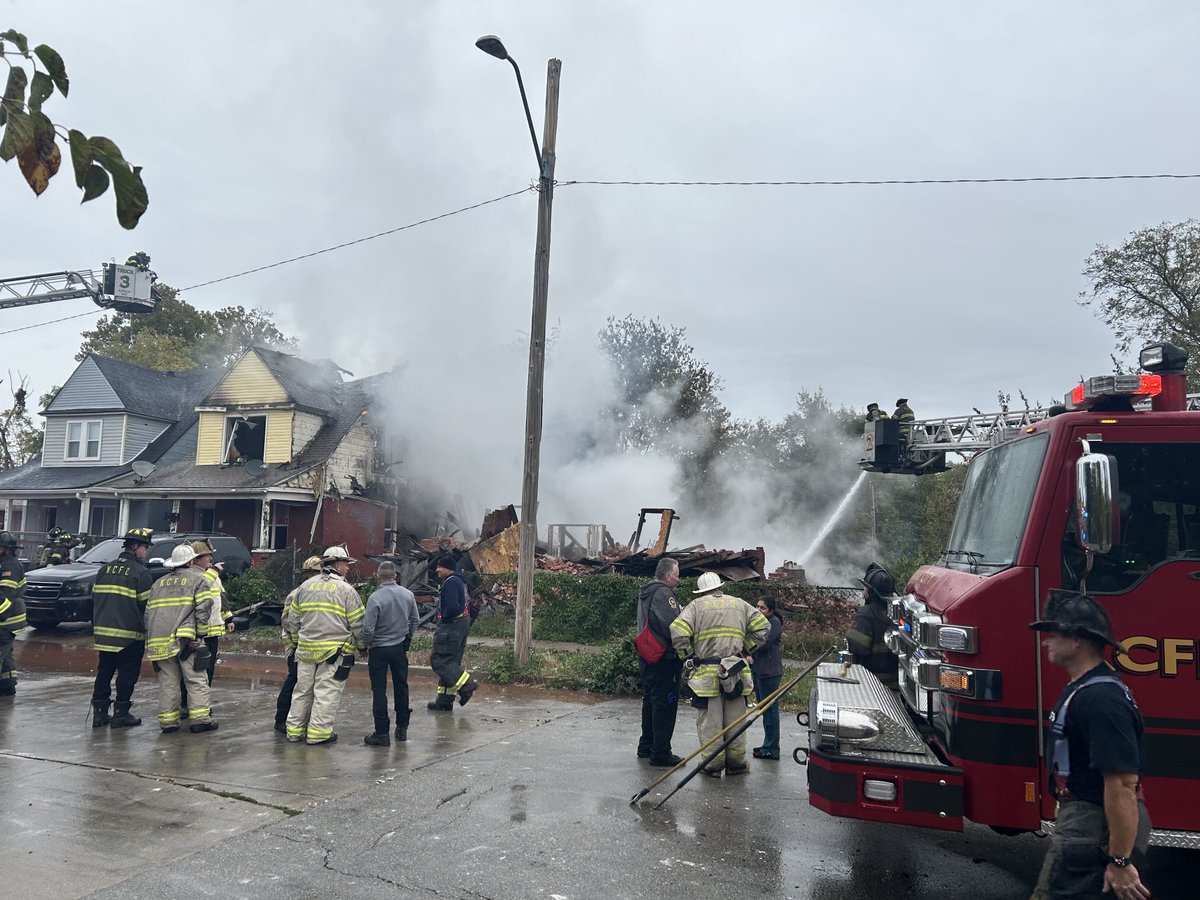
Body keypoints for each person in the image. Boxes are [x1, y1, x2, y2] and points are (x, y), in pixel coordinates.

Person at [1029, 592, 1152, 900]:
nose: (1047, 642)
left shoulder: (1101, 700)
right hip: (1090, 820)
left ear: (1078, 640)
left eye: (1054, 634)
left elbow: (1123, 784)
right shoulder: (1087, 689)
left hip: (1093, 825)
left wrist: (1120, 861)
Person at [670, 572, 769, 777]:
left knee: (711, 724)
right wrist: (745, 650)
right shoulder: (740, 604)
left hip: (707, 676)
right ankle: (737, 764)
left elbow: (678, 630)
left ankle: (712, 766)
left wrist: (687, 655)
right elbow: (763, 627)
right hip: (736, 673)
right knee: (735, 722)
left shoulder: (696, 606)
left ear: (702, 590)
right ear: (720, 587)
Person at [283, 546, 366, 745]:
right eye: (346, 564)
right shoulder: (346, 590)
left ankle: (294, 732)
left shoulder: (304, 587)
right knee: (326, 692)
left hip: (305, 651)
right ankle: (318, 734)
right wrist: (362, 646)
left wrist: (295, 642)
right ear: (337, 564)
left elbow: (292, 621)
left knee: (302, 691)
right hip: (334, 653)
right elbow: (358, 623)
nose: (348, 568)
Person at [144, 543, 219, 733]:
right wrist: (200, 635)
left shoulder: (157, 584)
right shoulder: (198, 580)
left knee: (168, 683)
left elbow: (147, 615)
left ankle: (168, 722)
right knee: (195, 679)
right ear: (191, 561)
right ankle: (200, 720)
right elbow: (203, 609)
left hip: (159, 640)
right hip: (186, 640)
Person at [90, 527, 155, 727]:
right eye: (144, 547)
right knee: (127, 674)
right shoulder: (141, 573)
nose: (146, 551)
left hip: (104, 634)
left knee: (104, 672)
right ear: (135, 547)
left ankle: (99, 714)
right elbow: (147, 607)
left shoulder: (104, 569)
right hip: (129, 635)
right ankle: (120, 714)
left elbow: (96, 599)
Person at [362, 561, 421, 746]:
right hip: (399, 648)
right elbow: (415, 620)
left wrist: (367, 644)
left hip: (379, 649)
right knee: (401, 686)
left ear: (378, 576)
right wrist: (407, 638)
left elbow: (368, 627)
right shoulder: (408, 595)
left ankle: (381, 733)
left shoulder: (375, 598)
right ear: (395, 576)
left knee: (379, 690)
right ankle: (402, 728)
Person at [636, 557, 683, 767]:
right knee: (665, 704)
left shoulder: (646, 592)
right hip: (664, 658)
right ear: (667, 576)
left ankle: (646, 746)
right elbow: (675, 626)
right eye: (677, 575)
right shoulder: (664, 594)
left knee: (651, 701)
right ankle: (661, 752)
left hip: (647, 656)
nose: (678, 580)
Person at [181, 542, 233, 713]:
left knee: (208, 670)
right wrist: (215, 571)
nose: (211, 558)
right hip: (197, 634)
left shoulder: (212, 576)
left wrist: (228, 619)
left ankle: (202, 703)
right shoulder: (193, 575)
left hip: (212, 633)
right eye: (207, 556)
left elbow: (221, 598)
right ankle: (186, 704)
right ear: (195, 559)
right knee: (193, 672)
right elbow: (203, 584)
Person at [274, 555, 323, 734]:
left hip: (307, 646)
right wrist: (295, 646)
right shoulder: (297, 593)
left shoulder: (314, 591)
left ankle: (303, 720)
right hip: (296, 647)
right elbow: (288, 623)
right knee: (294, 681)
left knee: (307, 685)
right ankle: (281, 720)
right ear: (308, 575)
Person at [426, 555, 478, 711]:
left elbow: (454, 607)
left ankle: (467, 685)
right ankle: (444, 700)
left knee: (439, 661)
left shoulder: (450, 582)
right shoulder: (459, 581)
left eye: (439, 567)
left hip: (451, 626)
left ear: (447, 567)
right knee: (451, 662)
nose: (437, 571)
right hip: (461, 624)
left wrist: (445, 618)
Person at [846, 563, 899, 688]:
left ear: (871, 592)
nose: (863, 590)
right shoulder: (898, 613)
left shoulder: (865, 615)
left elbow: (857, 647)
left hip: (871, 680)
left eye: (865, 588)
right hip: (897, 681)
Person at [748, 596, 783, 761]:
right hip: (759, 670)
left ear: (770, 610)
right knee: (764, 710)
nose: (758, 610)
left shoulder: (774, 623)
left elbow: (763, 643)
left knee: (770, 710)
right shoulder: (759, 622)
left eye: (762, 608)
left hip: (770, 672)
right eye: (757, 606)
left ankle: (772, 748)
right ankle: (766, 744)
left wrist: (747, 644)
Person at [0, 531, 27, 697]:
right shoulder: (3, 563)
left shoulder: (10, 566)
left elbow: (6, 597)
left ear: (7, 549)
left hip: (6, 619)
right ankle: (7, 685)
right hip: (7, 618)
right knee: (5, 652)